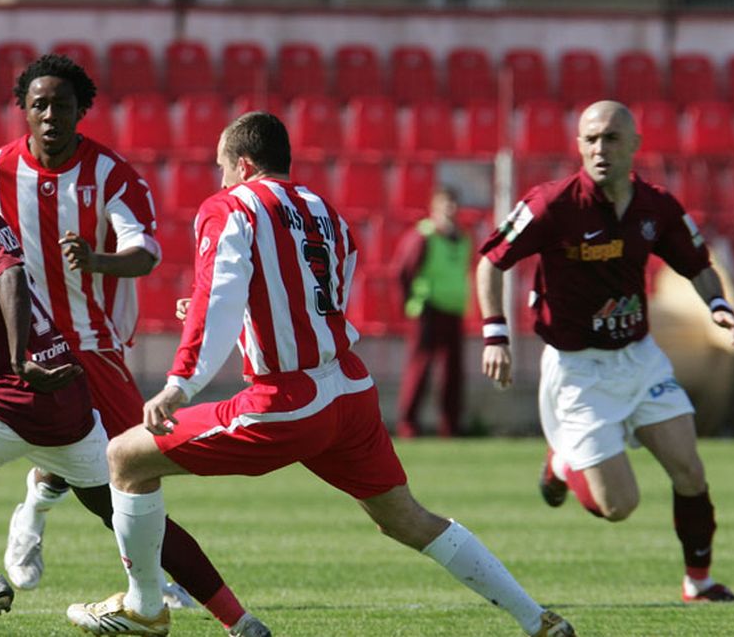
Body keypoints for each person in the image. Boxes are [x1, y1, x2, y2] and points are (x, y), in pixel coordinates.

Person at [66, 112, 576, 637]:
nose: (218, 181)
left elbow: (218, 299)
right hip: (349, 390)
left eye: (221, 168)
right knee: (405, 517)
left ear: (242, 165)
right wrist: (235, 319)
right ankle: (535, 618)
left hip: (287, 400)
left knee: (125, 458)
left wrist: (180, 383)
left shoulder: (229, 207)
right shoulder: (323, 209)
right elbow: (319, 298)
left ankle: (145, 609)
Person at [0, 55, 267, 636]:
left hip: (54, 365)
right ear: (25, 110)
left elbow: (10, 273)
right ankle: (237, 620)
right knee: (127, 495)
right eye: (39, 104)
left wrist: (22, 352)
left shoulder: (90, 181)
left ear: (79, 110)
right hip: (62, 389)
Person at [475, 100, 734, 604]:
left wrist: (717, 304)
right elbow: (491, 261)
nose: (600, 148)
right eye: (591, 139)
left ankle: (699, 582)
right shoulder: (551, 204)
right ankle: (560, 465)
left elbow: (697, 262)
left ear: (635, 146)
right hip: (580, 371)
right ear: (579, 146)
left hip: (640, 358)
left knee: (690, 470)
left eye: (612, 138)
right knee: (619, 507)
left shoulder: (657, 207)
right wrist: (496, 333)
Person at [393, 185, 471, 438]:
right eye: (445, 204)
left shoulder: (463, 238)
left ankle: (450, 427)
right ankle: (408, 425)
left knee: (452, 373)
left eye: (454, 204)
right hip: (428, 311)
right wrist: (411, 303)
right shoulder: (423, 236)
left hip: (453, 310)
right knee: (420, 369)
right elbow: (402, 271)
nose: (450, 209)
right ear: (434, 207)